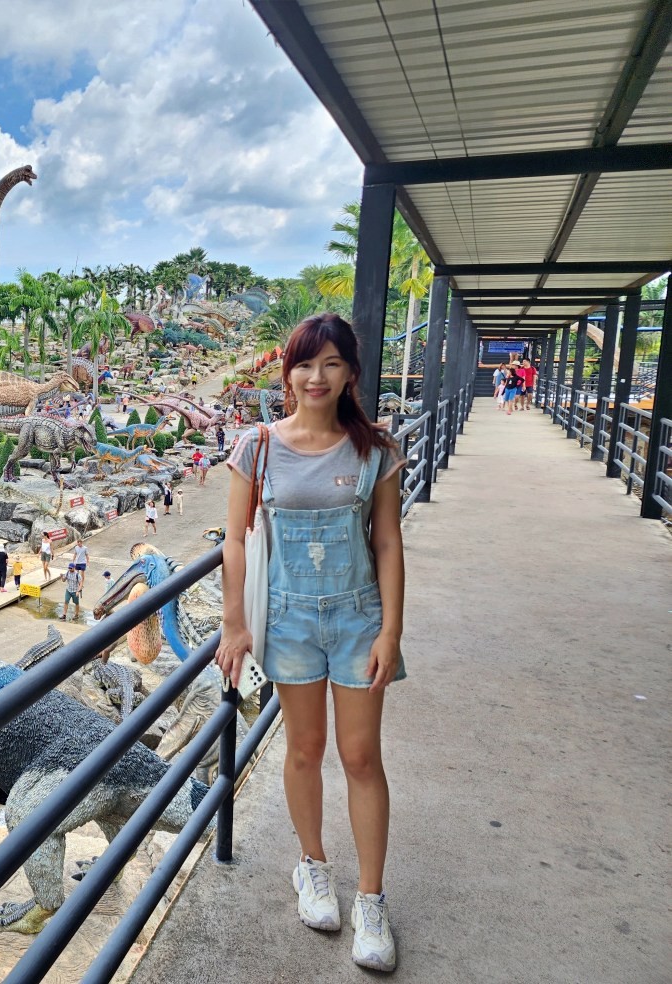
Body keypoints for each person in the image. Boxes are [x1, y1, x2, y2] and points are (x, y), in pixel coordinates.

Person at [216, 313, 405, 973]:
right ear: (288, 372)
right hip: (289, 618)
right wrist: (234, 622)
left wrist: (390, 629)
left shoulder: (374, 450)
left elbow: (386, 542)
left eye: (329, 363)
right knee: (303, 748)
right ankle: (312, 867)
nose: (314, 377)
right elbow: (235, 539)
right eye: (303, 363)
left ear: (351, 372)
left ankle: (372, 899)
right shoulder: (257, 445)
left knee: (360, 757)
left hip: (357, 618)